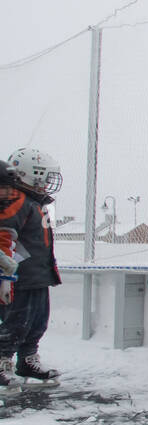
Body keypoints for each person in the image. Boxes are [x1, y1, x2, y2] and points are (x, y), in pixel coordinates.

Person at [0, 149, 63, 394]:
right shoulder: (15, 200)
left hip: (37, 276)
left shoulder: (35, 203)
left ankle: (27, 359)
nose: (47, 183)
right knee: (16, 322)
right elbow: (5, 235)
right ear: (31, 175)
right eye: (44, 177)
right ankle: (3, 360)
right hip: (19, 278)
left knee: (37, 321)